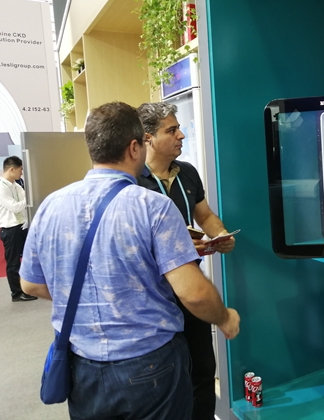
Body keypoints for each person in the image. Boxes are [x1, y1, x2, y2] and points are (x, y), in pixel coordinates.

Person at [19, 102, 240, 420]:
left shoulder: (51, 205)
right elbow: (194, 293)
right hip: (150, 365)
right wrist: (225, 318)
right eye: (172, 130)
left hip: (82, 367)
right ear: (135, 147)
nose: (180, 135)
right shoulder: (152, 206)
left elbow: (30, 284)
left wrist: (97, 296)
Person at [136, 101, 235, 420]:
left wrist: (220, 234)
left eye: (179, 128)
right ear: (148, 137)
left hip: (191, 289)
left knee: (203, 369)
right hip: (152, 297)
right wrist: (173, 246)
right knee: (163, 378)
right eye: (172, 130)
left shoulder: (187, 173)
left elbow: (204, 215)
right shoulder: (133, 181)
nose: (181, 135)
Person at [0, 155, 36, 302]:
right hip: (10, 230)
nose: (21, 173)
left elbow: (23, 204)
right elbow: (15, 207)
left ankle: (27, 288)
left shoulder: (16, 186)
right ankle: (17, 293)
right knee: (13, 262)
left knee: (28, 259)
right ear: (11, 169)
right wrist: (29, 198)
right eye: (20, 170)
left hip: (22, 226)